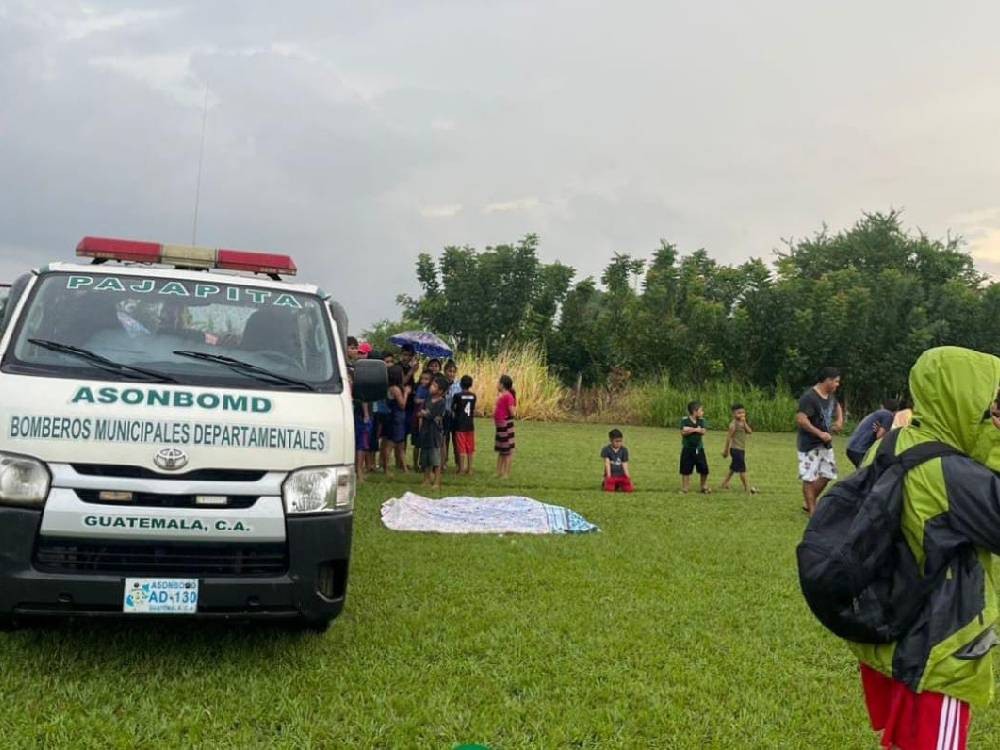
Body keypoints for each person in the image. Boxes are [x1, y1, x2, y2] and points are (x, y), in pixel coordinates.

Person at [846, 347, 1000, 750]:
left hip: (891, 626)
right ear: (962, 400)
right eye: (990, 404)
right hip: (936, 645)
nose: (992, 415)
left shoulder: (894, 443)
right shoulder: (950, 472)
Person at [796, 367, 844, 516]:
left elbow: (837, 406)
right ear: (828, 380)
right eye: (836, 381)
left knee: (829, 474)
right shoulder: (809, 397)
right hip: (809, 445)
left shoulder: (830, 395)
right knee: (809, 478)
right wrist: (820, 433)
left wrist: (839, 421)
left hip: (825, 444)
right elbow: (801, 420)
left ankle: (808, 502)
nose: (837, 384)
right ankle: (812, 511)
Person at [845, 399, 899, 469]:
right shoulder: (888, 415)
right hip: (860, 450)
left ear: (882, 406)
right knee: (868, 472)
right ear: (896, 411)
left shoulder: (877, 414)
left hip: (852, 447)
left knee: (865, 472)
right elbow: (879, 436)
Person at [418, 375, 448, 489]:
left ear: (440, 391)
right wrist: (423, 414)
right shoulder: (428, 399)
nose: (431, 387)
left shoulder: (441, 402)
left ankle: (436, 482)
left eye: (434, 386)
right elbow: (423, 412)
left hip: (434, 433)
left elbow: (433, 415)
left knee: (435, 460)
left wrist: (425, 414)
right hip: (425, 431)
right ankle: (426, 479)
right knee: (426, 459)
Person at [721, 403, 757, 494]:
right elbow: (728, 438)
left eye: (743, 412)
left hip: (741, 449)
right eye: (739, 413)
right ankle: (747, 487)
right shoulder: (733, 425)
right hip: (735, 450)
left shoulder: (743, 423)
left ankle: (724, 483)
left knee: (733, 468)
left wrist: (744, 423)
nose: (741, 415)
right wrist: (726, 451)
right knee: (742, 469)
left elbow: (749, 431)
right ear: (733, 414)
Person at [380, 365, 409, 475]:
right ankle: (386, 468)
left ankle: (404, 468)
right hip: (396, 418)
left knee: (401, 444)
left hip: (396, 417)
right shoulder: (395, 389)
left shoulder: (390, 387)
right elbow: (402, 404)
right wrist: (406, 393)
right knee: (391, 444)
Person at [679, 401, 710, 494]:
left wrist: (690, 429)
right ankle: (685, 488)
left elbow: (703, 431)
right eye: (701, 410)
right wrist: (696, 429)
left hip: (698, 449)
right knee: (686, 469)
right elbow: (683, 432)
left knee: (703, 468)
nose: (702, 412)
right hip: (687, 449)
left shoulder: (701, 421)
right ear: (694, 411)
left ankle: (703, 486)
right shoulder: (685, 420)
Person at [452, 375, 477, 475]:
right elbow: (473, 409)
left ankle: (461, 469)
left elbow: (453, 408)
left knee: (461, 447)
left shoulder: (457, 396)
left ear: (461, 384)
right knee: (470, 447)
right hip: (470, 424)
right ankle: (470, 469)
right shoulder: (473, 396)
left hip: (460, 424)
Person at [494, 375, 517, 478]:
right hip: (500, 426)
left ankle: (506, 473)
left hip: (505, 425)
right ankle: (499, 472)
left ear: (502, 385)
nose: (497, 385)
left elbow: (512, 412)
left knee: (507, 451)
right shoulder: (502, 396)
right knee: (501, 450)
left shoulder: (508, 396)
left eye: (498, 383)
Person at [442, 360, 461, 470]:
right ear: (445, 371)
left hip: (455, 415)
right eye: (450, 371)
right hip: (444, 414)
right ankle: (444, 461)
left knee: (456, 439)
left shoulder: (458, 385)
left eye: (454, 371)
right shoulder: (441, 383)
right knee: (445, 438)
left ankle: (458, 462)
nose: (451, 374)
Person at [411, 370, 432, 470]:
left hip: (426, 419)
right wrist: (425, 400)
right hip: (417, 417)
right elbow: (416, 400)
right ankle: (415, 464)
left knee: (425, 444)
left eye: (426, 379)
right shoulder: (420, 388)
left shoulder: (431, 390)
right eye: (422, 378)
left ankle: (424, 464)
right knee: (417, 444)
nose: (423, 381)